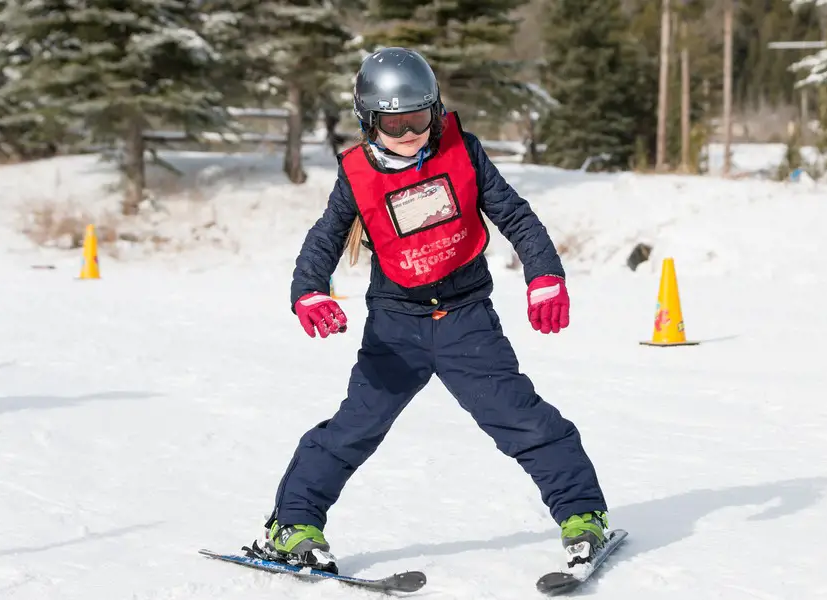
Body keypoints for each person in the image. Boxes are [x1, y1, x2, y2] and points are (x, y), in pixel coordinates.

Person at [251, 47, 610, 574]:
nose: (408, 134)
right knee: (356, 427)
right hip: (397, 326)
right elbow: (326, 237)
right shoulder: (356, 174)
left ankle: (583, 516)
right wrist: (308, 289)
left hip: (468, 320)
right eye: (393, 124)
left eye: (418, 119)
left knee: (521, 419)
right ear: (369, 120)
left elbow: (516, 215)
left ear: (435, 110)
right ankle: (294, 524)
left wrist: (545, 275)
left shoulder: (462, 151)